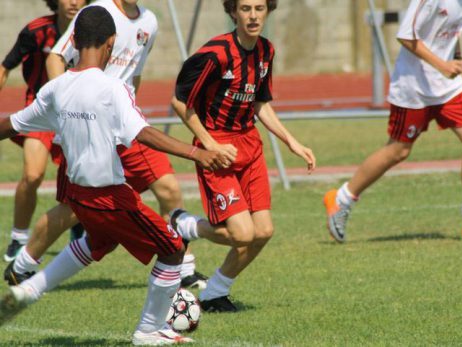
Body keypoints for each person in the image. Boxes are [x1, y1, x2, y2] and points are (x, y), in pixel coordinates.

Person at [0, 6, 226, 344]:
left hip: (78, 195)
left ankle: (30, 287)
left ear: (73, 40)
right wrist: (197, 152)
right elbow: (144, 132)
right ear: (111, 43)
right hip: (109, 197)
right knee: (173, 249)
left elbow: (11, 124)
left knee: (98, 242)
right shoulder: (112, 88)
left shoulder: (56, 89)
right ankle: (148, 331)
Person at [323, 0, 462, 243]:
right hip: (413, 86)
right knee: (398, 150)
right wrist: (444, 65)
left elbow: (451, 31)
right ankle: (341, 199)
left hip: (448, 87)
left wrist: (456, 57)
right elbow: (406, 36)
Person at [171, 0, 316, 312]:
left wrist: (291, 141)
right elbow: (180, 102)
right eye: (246, 8)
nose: (253, 15)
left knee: (263, 231)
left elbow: (260, 102)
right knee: (242, 234)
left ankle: (214, 293)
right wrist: (209, 144)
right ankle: (184, 227)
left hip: (249, 146)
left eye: (259, 8)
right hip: (217, 150)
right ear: (233, 12)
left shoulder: (266, 51)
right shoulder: (215, 53)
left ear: (268, 10)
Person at [0, 0, 90, 262]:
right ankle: (18, 237)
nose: (74, 2)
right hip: (41, 112)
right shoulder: (37, 31)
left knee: (80, 179)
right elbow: (6, 66)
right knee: (33, 174)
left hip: (77, 114)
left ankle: (77, 224)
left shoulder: (93, 30)